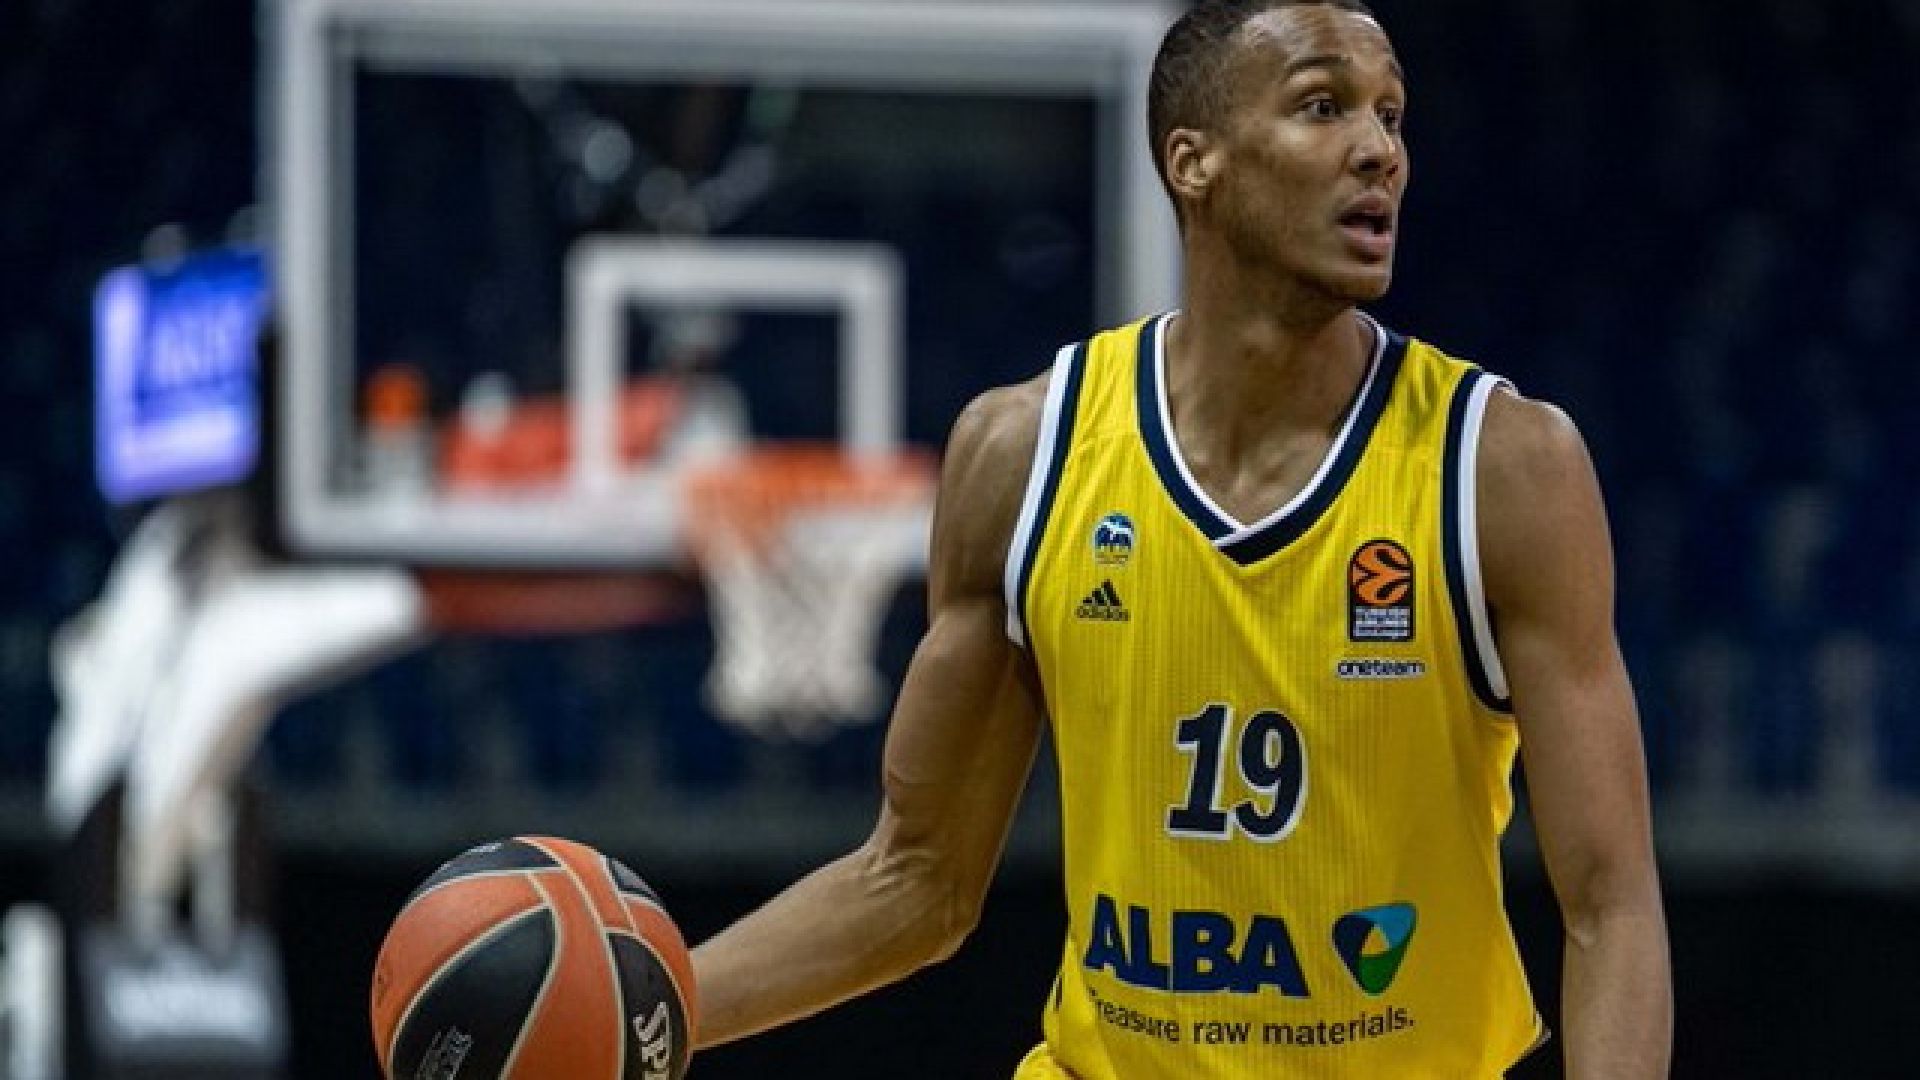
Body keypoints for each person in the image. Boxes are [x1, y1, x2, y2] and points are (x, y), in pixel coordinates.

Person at [689, 1, 1672, 1076]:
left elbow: (1610, 905)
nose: (1379, 151)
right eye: (1323, 106)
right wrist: (648, 1012)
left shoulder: (1503, 468)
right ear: (1192, 162)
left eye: (1391, 115)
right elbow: (915, 880)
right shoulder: (1024, 455)